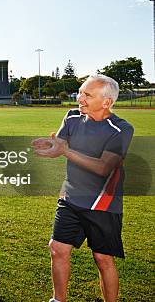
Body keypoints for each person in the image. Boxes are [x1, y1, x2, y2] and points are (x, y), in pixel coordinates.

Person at [32, 75, 134, 302]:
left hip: (102, 203)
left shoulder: (121, 129)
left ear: (106, 102)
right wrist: (48, 147)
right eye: (80, 92)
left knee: (103, 258)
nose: (80, 98)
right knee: (57, 248)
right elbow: (58, 146)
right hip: (70, 197)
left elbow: (103, 168)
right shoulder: (71, 117)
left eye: (87, 95)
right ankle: (58, 300)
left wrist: (65, 151)